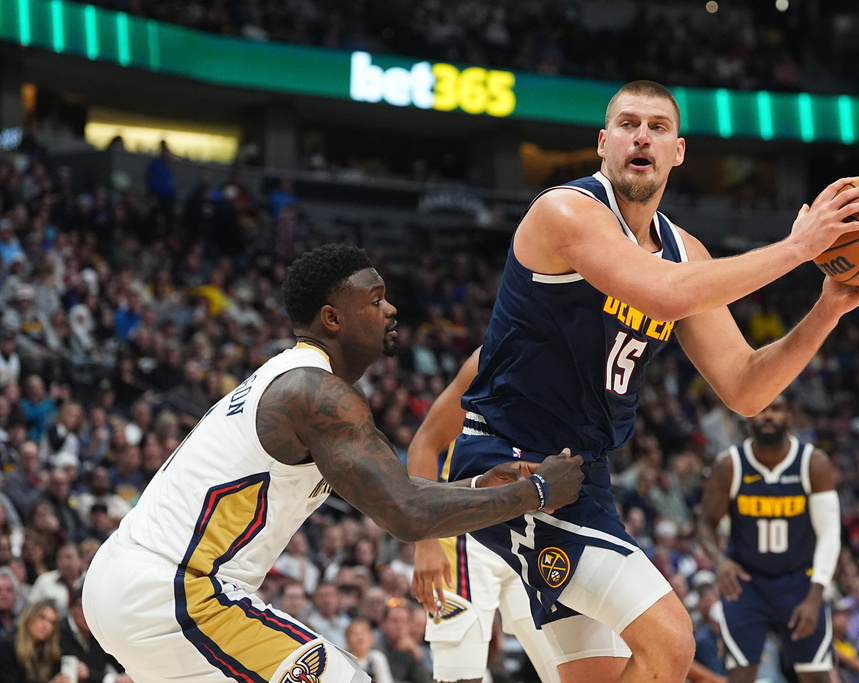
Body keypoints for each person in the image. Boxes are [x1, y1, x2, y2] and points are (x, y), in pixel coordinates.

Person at [447, 79, 859, 683]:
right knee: (671, 643)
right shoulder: (565, 211)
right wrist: (796, 247)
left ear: (678, 151)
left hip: (583, 476)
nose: (642, 136)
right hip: (514, 464)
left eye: (658, 127)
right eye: (629, 125)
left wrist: (828, 309)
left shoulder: (687, 252)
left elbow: (746, 387)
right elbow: (661, 292)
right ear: (603, 143)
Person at [81, 243, 584, 683]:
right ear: (332, 319)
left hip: (131, 583)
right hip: (174, 590)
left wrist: (477, 486)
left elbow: (392, 488)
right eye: (375, 299)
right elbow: (406, 512)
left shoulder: (302, 381)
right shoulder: (316, 393)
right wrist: (535, 494)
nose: (390, 309)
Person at [407, 348, 561, 683]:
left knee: (570, 666)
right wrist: (426, 542)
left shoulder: (588, 364)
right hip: (465, 533)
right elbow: (424, 444)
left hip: (532, 533)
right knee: (461, 677)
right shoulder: (492, 355)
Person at [695, 394, 840, 683]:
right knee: (740, 676)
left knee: (817, 676)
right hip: (747, 584)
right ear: (748, 416)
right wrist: (720, 561)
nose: (768, 416)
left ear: (789, 417)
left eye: (776, 409)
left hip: (799, 581)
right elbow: (705, 523)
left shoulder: (813, 463)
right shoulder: (730, 466)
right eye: (761, 410)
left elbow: (830, 534)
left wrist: (816, 594)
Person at [0, 599, 78, 683]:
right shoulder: (7, 647)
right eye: (42, 618)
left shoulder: (51, 652)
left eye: (52, 622)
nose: (46, 626)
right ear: (29, 617)